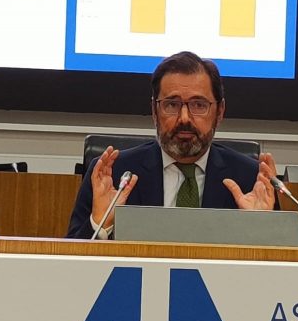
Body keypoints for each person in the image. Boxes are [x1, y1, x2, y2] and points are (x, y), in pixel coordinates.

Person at [66, 51, 278, 239]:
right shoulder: (113, 175)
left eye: (198, 105)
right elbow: (71, 266)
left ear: (220, 111)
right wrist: (101, 224)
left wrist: (261, 230)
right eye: (172, 105)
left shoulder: (251, 179)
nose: (184, 118)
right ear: (154, 110)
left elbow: (284, 274)